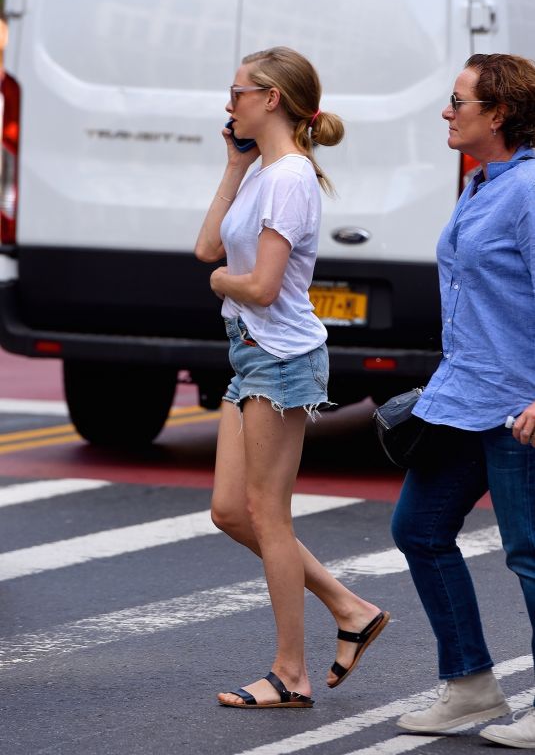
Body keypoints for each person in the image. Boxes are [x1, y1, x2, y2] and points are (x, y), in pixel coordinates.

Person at [195, 46, 389, 709]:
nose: (229, 103)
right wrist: (231, 167)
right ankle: (349, 608)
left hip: (278, 357)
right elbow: (204, 248)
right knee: (229, 510)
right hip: (251, 353)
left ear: (270, 98)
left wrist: (223, 282)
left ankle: (290, 674)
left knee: (267, 517)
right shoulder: (260, 172)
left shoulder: (291, 179)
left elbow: (260, 283)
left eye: (238, 91)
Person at [391, 53, 535, 747]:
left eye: (458, 101)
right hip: (464, 397)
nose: (447, 112)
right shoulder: (480, 184)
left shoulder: (532, 190)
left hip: (518, 407)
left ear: (498, 112)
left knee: (529, 553)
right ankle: (471, 685)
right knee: (417, 529)